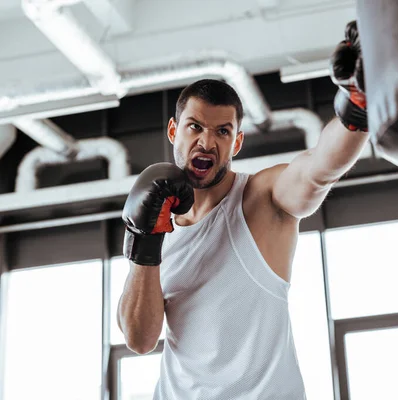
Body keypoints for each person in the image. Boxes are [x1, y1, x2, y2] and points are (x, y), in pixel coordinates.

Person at [117, 21, 367, 399]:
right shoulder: (156, 220)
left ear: (237, 142)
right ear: (173, 131)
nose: (206, 141)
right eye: (194, 127)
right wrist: (145, 242)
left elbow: (317, 170)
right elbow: (139, 339)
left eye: (222, 132)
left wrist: (357, 104)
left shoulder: (262, 198)